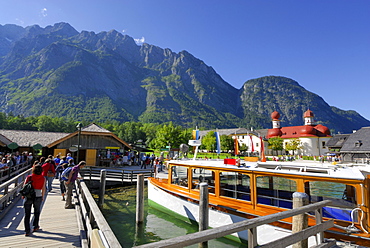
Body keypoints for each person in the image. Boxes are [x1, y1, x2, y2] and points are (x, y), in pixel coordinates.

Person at [23, 162, 46, 236]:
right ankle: (35, 226)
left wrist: (23, 195)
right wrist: (42, 196)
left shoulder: (29, 177)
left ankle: (27, 230)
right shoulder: (43, 178)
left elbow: (24, 186)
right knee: (37, 212)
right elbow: (43, 188)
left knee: (27, 214)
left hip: (29, 196)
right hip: (38, 195)